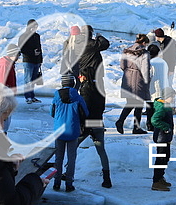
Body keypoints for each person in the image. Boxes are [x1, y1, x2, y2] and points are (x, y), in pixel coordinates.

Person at [76, 25, 112, 188]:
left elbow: (83, 108)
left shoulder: (79, 46)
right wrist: (98, 35)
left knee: (72, 148)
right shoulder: (100, 89)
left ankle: (65, 174)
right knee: (101, 150)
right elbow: (105, 43)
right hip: (97, 121)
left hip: (86, 124)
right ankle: (107, 178)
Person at [50, 74, 88, 192]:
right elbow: (85, 113)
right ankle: (69, 184)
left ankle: (56, 183)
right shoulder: (77, 97)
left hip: (59, 131)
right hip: (73, 131)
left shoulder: (56, 96)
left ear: (62, 84)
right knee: (71, 158)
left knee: (58, 158)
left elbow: (52, 113)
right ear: (73, 84)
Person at [117, 34, 151, 135]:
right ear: (144, 43)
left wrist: (128, 72)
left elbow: (122, 65)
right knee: (139, 104)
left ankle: (121, 121)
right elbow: (145, 69)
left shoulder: (127, 51)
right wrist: (147, 81)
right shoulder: (144, 53)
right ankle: (135, 127)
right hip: (138, 79)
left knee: (130, 102)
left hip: (127, 78)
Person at [149, 87, 175, 192]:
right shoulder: (162, 107)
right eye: (172, 96)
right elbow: (154, 120)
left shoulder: (166, 106)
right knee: (161, 159)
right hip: (162, 138)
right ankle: (156, 181)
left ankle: (160, 177)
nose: (174, 99)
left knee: (165, 158)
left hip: (165, 138)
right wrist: (166, 127)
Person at [18, 19, 43, 104]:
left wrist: (40, 60)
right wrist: (33, 52)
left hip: (36, 61)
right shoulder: (23, 36)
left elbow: (39, 48)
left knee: (33, 80)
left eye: (36, 26)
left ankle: (32, 96)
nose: (35, 28)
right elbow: (21, 49)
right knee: (28, 80)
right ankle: (27, 96)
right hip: (28, 61)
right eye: (34, 26)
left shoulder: (37, 36)